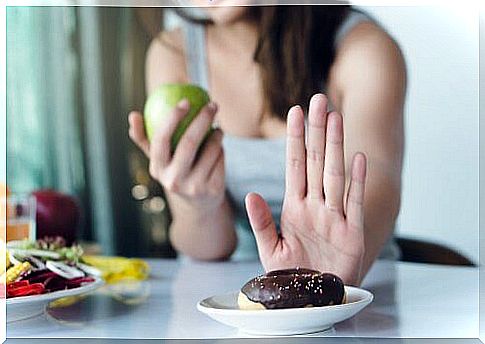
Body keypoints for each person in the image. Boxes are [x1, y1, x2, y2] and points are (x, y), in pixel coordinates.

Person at [128, 3, 406, 286]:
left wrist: (326, 273)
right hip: (236, 297)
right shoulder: (173, 54)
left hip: (360, 287)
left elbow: (378, 185)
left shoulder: (363, 48)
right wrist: (198, 204)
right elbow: (211, 249)